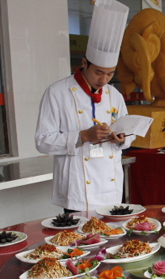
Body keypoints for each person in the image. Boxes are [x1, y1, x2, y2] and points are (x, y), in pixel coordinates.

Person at [35, 0, 133, 213]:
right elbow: (42, 142)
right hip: (78, 192)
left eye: (110, 74)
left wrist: (122, 139)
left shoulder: (114, 95)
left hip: (111, 191)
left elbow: (128, 132)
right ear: (84, 63)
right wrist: (84, 136)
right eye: (98, 72)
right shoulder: (57, 93)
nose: (104, 80)